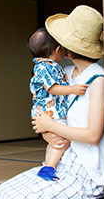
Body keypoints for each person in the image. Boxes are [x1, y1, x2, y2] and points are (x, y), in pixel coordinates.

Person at [0, 5, 104, 198]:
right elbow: (45, 115)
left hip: (85, 169)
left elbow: (93, 136)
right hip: (60, 161)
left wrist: (50, 126)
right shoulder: (64, 74)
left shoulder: (98, 80)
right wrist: (47, 133)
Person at [26, 27, 89, 181]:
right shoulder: (46, 66)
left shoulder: (43, 66)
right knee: (61, 141)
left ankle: (47, 163)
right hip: (50, 112)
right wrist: (72, 89)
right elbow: (52, 88)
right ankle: (48, 168)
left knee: (54, 141)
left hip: (47, 112)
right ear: (58, 49)